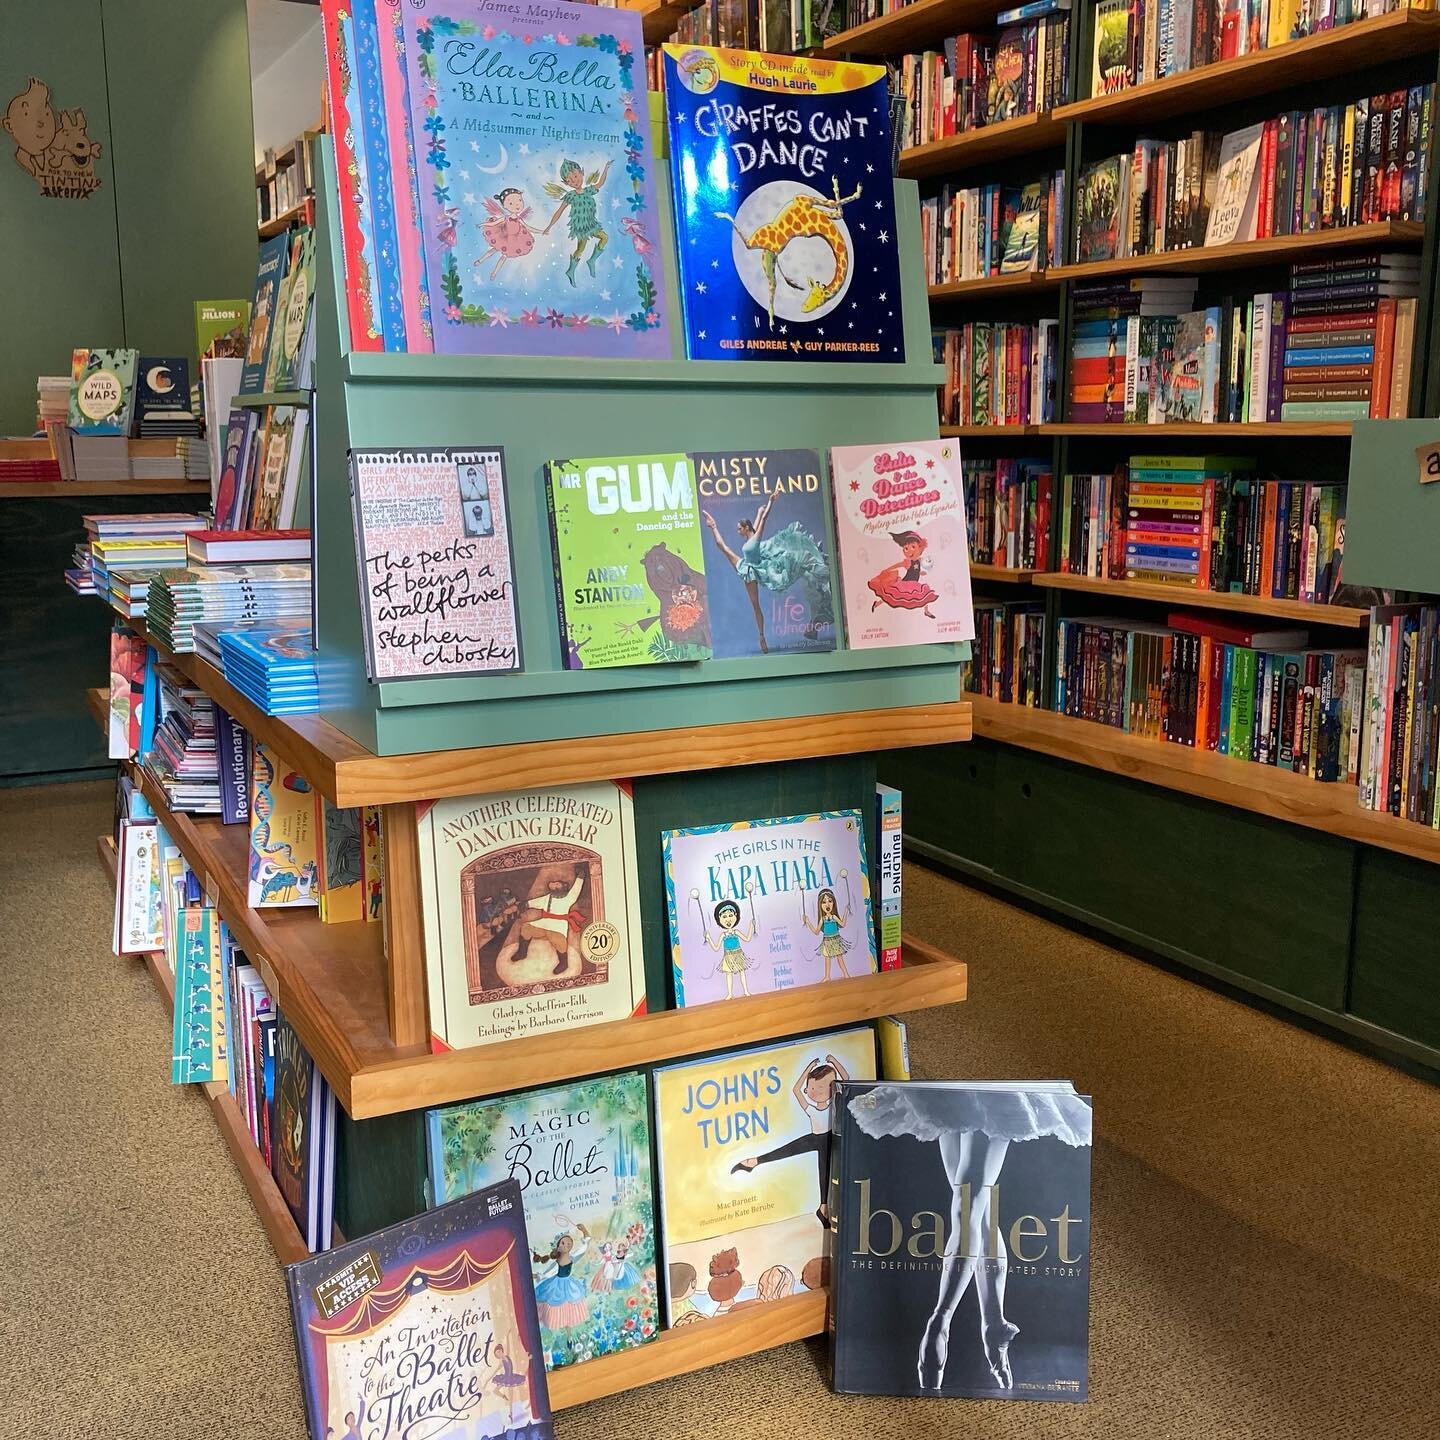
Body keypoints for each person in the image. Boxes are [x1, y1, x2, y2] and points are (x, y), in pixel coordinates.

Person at [847, 1084, 1093, 1393]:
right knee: (974, 1206)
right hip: (956, 1085)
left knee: (969, 1202)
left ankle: (942, 1320)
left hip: (995, 1087)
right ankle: (991, 1323)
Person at [701, 496, 832, 653]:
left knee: (725, 549)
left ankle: (764, 636)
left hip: (754, 571)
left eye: (739, 528)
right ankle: (762, 636)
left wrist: (770, 502)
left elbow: (764, 519)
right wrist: (758, 511)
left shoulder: (756, 538)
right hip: (747, 568)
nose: (738, 531)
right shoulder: (751, 538)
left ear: (746, 528)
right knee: (724, 549)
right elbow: (757, 522)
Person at [730, 1054, 850, 1221]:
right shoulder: (810, 1108)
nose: (817, 1092)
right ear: (807, 1090)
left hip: (830, 1139)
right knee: (788, 1150)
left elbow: (846, 1079)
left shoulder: (835, 1101)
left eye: (823, 1088)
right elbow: (796, 1089)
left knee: (825, 1169)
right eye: (813, 1088)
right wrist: (809, 1068)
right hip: (816, 1138)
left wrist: (834, 1062)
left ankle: (823, 1208)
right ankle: (754, 1161)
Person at [531, 1220, 591, 1330]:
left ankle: (568, 1330)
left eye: (569, 1243)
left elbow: (584, 1247)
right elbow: (546, 1274)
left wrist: (584, 1230)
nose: (567, 1245)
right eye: (563, 1243)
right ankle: (558, 1324)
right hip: (556, 1285)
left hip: (569, 1284)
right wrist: (534, 1276)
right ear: (558, 1247)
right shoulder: (556, 1264)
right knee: (556, 1305)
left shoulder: (573, 1257)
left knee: (570, 1304)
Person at [867, 529, 939, 618]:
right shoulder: (907, 562)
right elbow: (897, 565)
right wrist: (886, 570)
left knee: (924, 597)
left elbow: (916, 572)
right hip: (905, 584)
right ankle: (877, 603)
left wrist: (921, 573)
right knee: (891, 596)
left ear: (919, 547)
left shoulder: (919, 561)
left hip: (915, 584)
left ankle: (926, 611)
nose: (909, 551)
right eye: (906, 548)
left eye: (913, 547)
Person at [802, 886, 853, 981]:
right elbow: (816, 932)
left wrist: (846, 911)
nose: (827, 904)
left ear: (834, 902)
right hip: (826, 941)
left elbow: (842, 924)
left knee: (839, 957)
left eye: (830, 901)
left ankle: (846, 973)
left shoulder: (834, 917)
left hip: (836, 939)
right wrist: (808, 921)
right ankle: (827, 976)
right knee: (827, 958)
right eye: (824, 902)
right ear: (820, 905)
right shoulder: (823, 919)